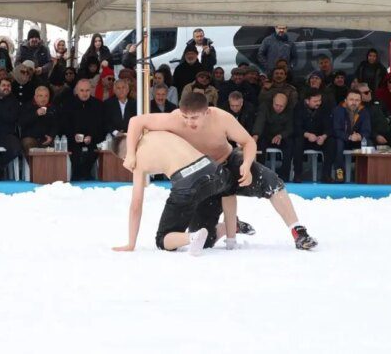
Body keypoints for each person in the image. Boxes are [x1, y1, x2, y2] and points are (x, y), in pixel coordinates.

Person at [123, 93, 318, 250]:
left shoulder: (221, 118)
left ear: (206, 112)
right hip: (204, 175)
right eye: (186, 117)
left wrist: (247, 164)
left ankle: (297, 231)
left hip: (228, 163)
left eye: (194, 118)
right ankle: (230, 226)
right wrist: (130, 153)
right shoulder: (175, 119)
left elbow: (248, 142)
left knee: (271, 181)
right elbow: (136, 122)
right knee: (203, 239)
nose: (189, 123)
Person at [110, 130, 236, 255]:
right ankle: (231, 237)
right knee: (228, 188)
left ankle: (192, 237)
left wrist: (131, 243)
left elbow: (136, 205)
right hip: (213, 169)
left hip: (187, 183)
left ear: (125, 158)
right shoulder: (154, 132)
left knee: (162, 239)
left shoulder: (137, 161)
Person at [62, 79, 104, 180]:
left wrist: (91, 136)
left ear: (91, 90)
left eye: (87, 90)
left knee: (92, 152)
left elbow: (101, 125)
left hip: (93, 139)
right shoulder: (68, 104)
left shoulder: (98, 105)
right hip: (73, 139)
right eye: (82, 90)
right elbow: (64, 124)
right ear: (76, 91)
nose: (85, 93)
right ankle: (77, 175)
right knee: (75, 153)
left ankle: (86, 174)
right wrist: (73, 136)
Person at [293, 90, 334, 183]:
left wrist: (323, 136)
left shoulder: (324, 108)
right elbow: (296, 128)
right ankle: (297, 174)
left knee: (332, 142)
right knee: (297, 141)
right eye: (315, 101)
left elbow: (329, 126)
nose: (318, 103)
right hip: (304, 138)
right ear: (307, 101)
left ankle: (326, 175)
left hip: (320, 139)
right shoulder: (298, 108)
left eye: (319, 100)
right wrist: (307, 135)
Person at [252, 93, 294, 181]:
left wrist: (281, 135)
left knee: (290, 146)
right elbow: (260, 121)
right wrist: (255, 135)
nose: (278, 108)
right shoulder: (265, 107)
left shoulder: (290, 110)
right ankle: (259, 175)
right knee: (260, 146)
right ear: (272, 102)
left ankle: (284, 177)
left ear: (285, 105)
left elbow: (290, 128)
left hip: (282, 137)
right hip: (266, 135)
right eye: (276, 105)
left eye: (281, 106)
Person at [332, 90, 371, 182]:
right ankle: (339, 172)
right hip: (344, 139)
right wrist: (349, 137)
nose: (354, 102)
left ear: (360, 101)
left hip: (358, 140)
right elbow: (336, 130)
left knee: (369, 142)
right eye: (351, 99)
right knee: (337, 142)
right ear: (346, 100)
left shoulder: (364, 111)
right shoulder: (338, 110)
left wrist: (360, 136)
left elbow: (367, 130)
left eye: (357, 100)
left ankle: (366, 173)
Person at [19, 86, 58, 154]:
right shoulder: (27, 107)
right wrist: (36, 114)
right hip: (31, 138)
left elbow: (56, 125)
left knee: (58, 144)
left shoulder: (52, 108)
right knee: (28, 143)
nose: (43, 99)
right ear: (35, 97)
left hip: (46, 139)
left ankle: (53, 165)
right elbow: (22, 122)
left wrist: (51, 136)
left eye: (46, 96)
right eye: (40, 96)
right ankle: (33, 164)